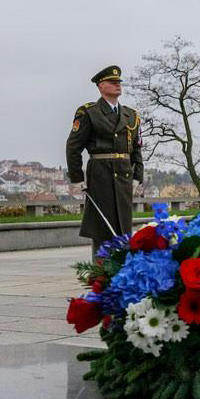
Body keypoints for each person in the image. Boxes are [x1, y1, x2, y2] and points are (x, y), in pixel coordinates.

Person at [66, 65, 143, 257]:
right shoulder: (89, 112)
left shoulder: (131, 115)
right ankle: (101, 276)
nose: (118, 85)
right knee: (102, 229)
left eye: (119, 82)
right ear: (101, 86)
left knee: (124, 228)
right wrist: (77, 178)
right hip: (100, 174)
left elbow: (136, 149)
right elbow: (73, 146)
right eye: (112, 82)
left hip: (124, 174)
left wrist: (137, 176)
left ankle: (121, 274)